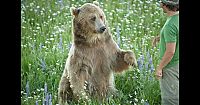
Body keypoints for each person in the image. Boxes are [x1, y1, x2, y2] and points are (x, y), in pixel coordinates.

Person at [152, 0, 179, 105]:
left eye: (161, 2)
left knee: (171, 100)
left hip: (170, 66)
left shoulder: (170, 25)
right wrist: (160, 37)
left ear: (165, 5)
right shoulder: (176, 19)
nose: (160, 4)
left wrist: (160, 67)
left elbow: (170, 52)